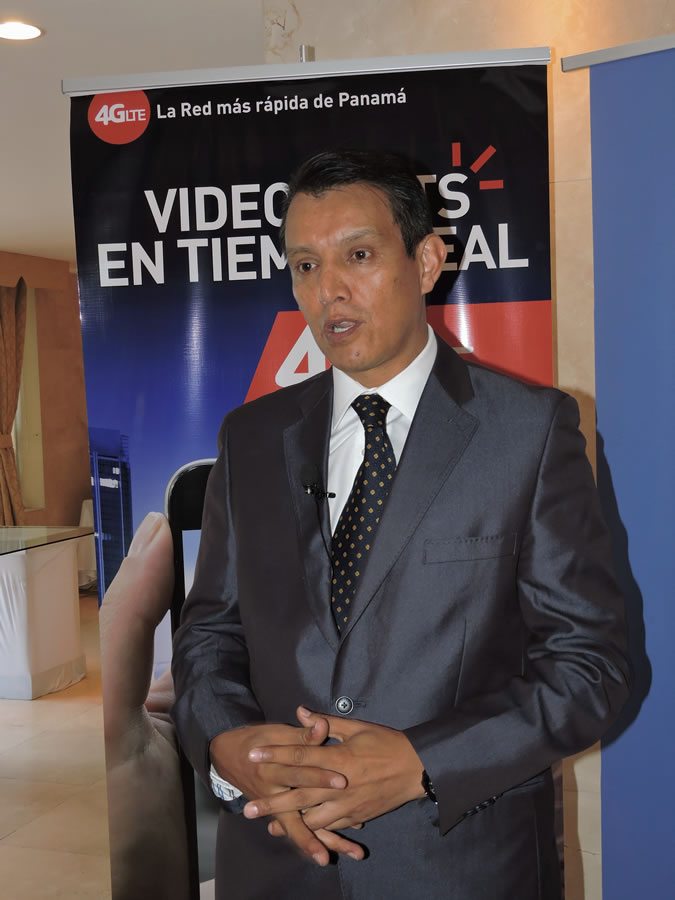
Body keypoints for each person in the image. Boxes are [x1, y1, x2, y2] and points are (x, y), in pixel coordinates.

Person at [171, 149, 630, 899]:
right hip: (276, 861)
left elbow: (589, 668)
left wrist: (423, 762)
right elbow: (209, 633)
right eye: (305, 265)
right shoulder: (250, 437)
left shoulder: (529, 432)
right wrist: (227, 742)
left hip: (460, 867)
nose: (329, 290)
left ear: (425, 261)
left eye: (358, 255)